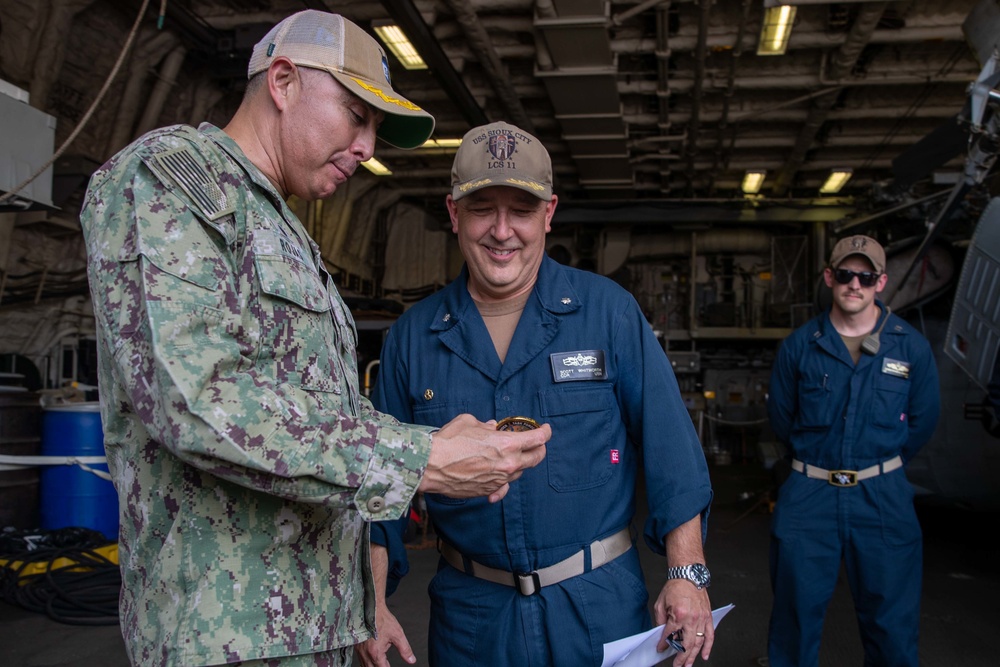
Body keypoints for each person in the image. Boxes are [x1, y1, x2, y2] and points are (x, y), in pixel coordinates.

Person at [78, 12, 549, 667]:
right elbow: (194, 397)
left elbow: (315, 423)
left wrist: (368, 592)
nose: (366, 146)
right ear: (282, 81)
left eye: (375, 129)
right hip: (225, 636)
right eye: (356, 115)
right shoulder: (171, 178)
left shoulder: (287, 231)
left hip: (309, 629)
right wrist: (417, 458)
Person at [356, 121, 715, 667]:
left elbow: (674, 455)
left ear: (548, 214)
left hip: (597, 607)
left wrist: (686, 574)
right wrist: (371, 601)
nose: (502, 231)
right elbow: (376, 490)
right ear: (454, 214)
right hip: (472, 618)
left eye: (520, 210)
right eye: (482, 209)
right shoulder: (413, 337)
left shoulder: (608, 312)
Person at [766, 235, 941, 666]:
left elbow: (923, 421)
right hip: (810, 495)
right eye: (845, 274)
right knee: (794, 621)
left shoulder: (910, 347)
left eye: (866, 276)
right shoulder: (800, 347)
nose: (854, 284)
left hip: (881, 497)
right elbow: (783, 421)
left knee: (891, 626)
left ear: (881, 282)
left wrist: (877, 466)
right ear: (830, 277)